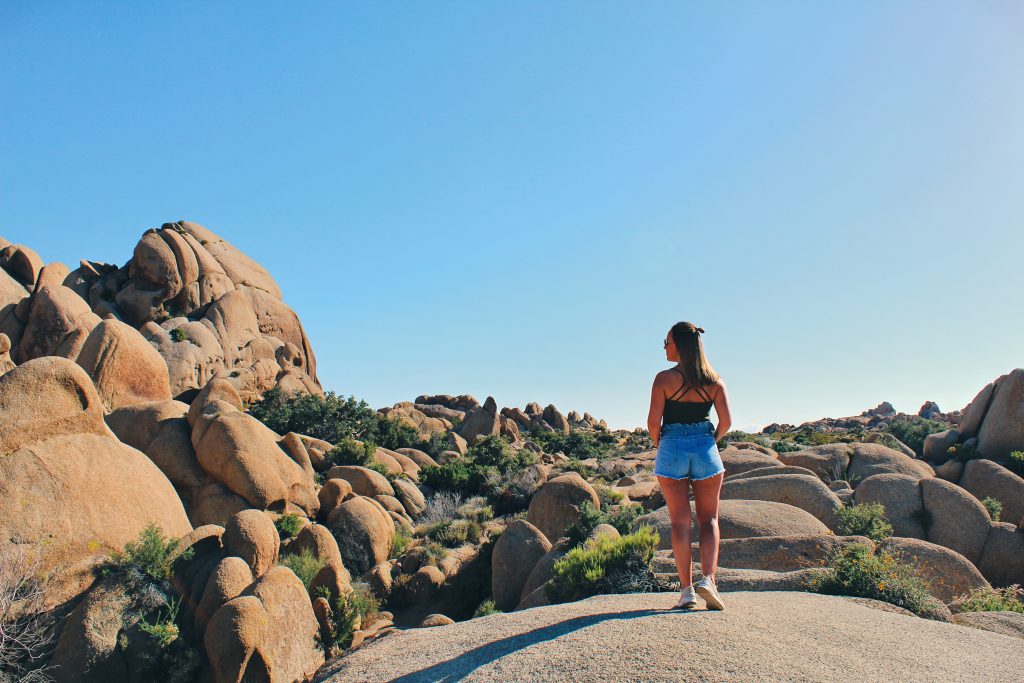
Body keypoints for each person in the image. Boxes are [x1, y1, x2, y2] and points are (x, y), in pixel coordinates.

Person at [647, 321, 732, 610]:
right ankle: (708, 580)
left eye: (667, 341)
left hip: (672, 445)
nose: (664, 346)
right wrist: (710, 440)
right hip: (705, 446)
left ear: (680, 345)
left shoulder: (663, 379)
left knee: (680, 521)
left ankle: (686, 591)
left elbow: (652, 423)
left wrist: (664, 445)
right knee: (709, 519)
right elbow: (727, 422)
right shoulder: (716, 382)